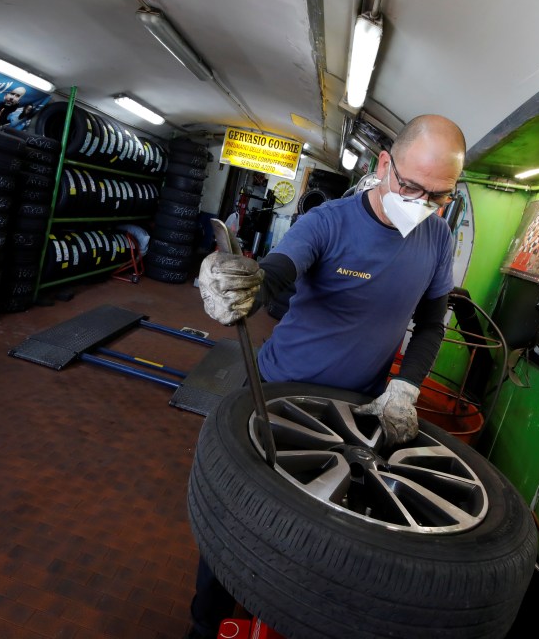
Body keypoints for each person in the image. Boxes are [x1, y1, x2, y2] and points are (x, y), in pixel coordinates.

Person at [186, 114, 466, 639]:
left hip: (352, 414)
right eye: (411, 187)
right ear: (384, 165)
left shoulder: (436, 241)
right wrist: (243, 285)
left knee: (319, 533)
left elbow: (431, 323)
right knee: (240, 519)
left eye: (440, 195)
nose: (423, 204)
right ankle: (205, 625)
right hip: (275, 395)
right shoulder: (328, 222)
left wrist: (405, 388)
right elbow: (275, 275)